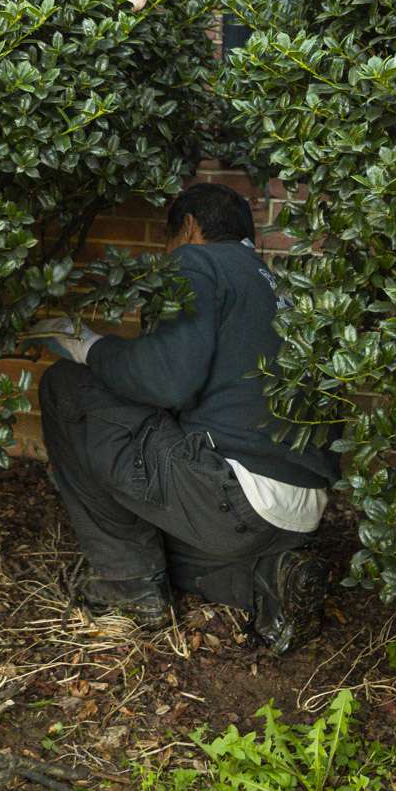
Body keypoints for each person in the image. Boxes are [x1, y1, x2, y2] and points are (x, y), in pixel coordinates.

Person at [32, 183, 335, 654]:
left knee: (65, 387)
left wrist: (87, 346)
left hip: (234, 496)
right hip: (296, 510)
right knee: (163, 545)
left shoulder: (198, 262)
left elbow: (167, 383)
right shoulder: (280, 285)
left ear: (189, 228)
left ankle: (129, 589)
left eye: (168, 241)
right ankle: (269, 580)